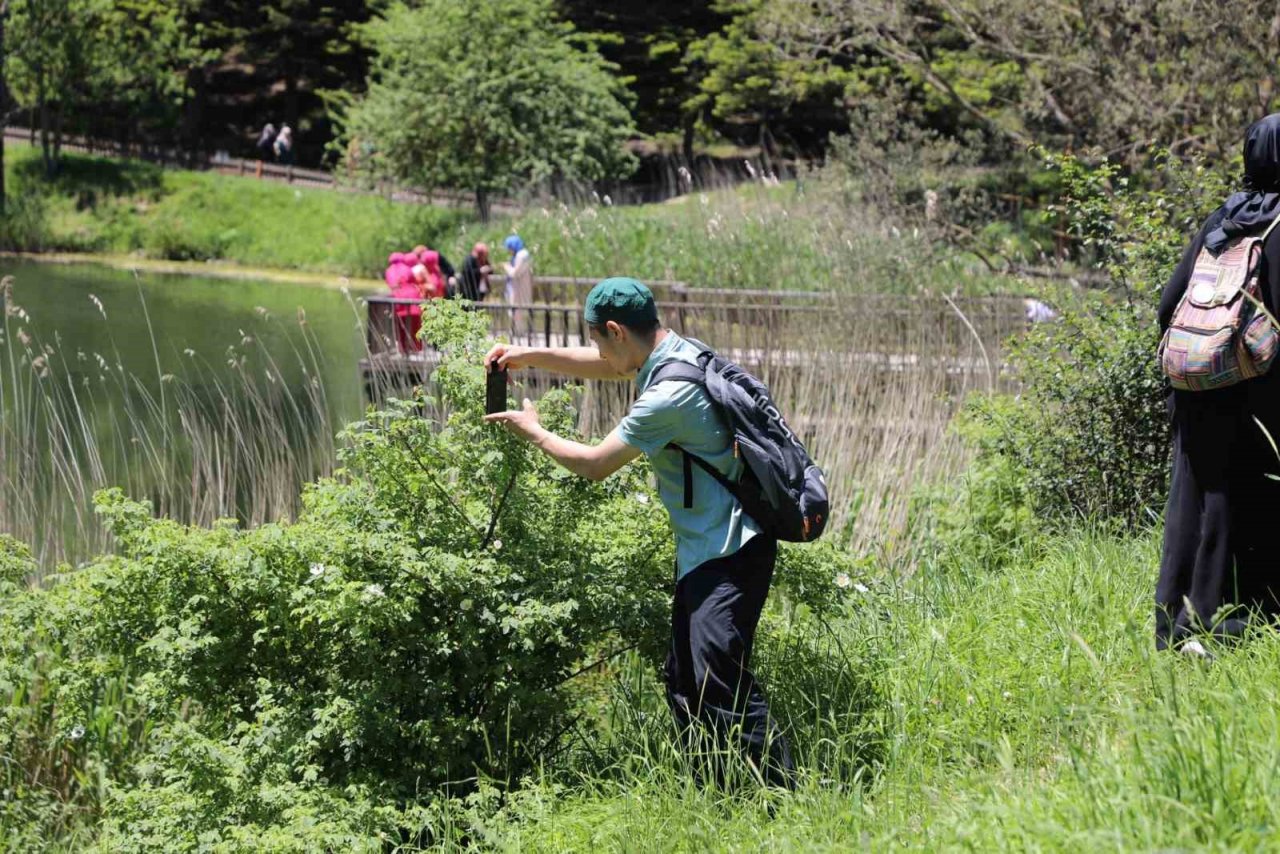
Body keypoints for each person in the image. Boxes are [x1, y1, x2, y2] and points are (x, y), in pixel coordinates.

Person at [484, 277, 795, 788]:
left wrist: (534, 431)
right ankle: (716, 791)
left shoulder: (667, 397)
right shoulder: (677, 350)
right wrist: (528, 355)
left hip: (730, 551)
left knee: (719, 680)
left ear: (614, 330)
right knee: (685, 678)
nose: (597, 352)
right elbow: (611, 364)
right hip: (711, 547)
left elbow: (593, 464)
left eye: (597, 339)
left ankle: (785, 798)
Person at [1155, 113, 1280, 656]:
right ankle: (1235, 630)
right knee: (1252, 501)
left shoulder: (1221, 220)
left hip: (1197, 384)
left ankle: (1177, 625)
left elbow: (1168, 304)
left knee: (1194, 503)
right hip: (1260, 395)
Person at [384, 252, 423, 353]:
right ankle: (417, 350)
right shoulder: (407, 268)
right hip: (413, 300)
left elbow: (391, 286)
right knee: (415, 327)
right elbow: (415, 282)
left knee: (401, 327)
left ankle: (403, 350)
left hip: (398, 301)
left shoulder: (388, 271)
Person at [503, 235, 534, 335]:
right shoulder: (523, 254)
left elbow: (515, 273)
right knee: (517, 310)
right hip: (519, 287)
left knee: (516, 310)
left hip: (518, 288)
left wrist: (506, 267)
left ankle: (518, 331)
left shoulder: (521, 255)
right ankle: (517, 330)